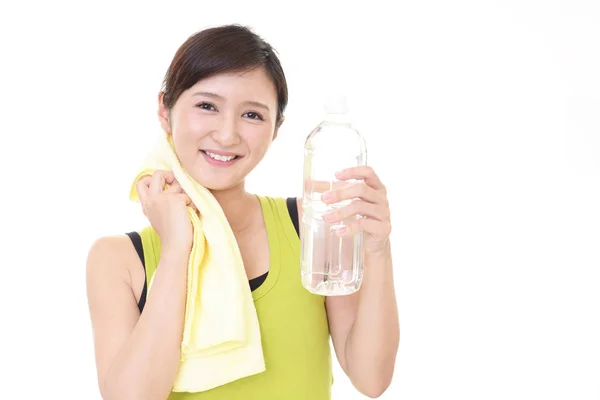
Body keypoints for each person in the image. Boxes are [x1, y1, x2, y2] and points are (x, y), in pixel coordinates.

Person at [85, 24, 399, 400]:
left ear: (276, 129)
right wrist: (176, 249)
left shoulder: (308, 225)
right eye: (207, 106)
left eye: (252, 115)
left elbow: (371, 378)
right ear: (164, 111)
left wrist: (377, 247)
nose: (227, 134)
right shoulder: (118, 259)